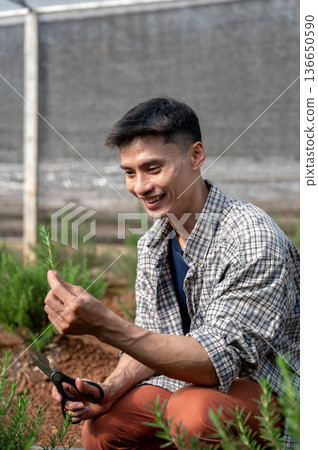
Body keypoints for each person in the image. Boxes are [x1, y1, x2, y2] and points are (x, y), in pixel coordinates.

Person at [45, 97, 300, 449]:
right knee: (104, 428)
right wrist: (110, 388)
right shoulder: (155, 243)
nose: (139, 186)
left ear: (196, 156)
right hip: (192, 384)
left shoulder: (252, 238)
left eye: (153, 168)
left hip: (274, 390)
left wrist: (106, 325)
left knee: (192, 414)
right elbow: (153, 336)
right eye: (130, 173)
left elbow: (217, 363)